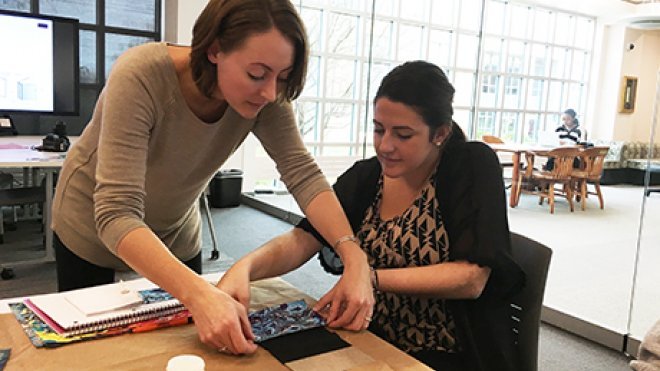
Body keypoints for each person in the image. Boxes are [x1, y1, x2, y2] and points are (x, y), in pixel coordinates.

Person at [51, 0, 373, 355]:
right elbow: (116, 212)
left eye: (282, 77)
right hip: (90, 227)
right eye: (257, 74)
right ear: (215, 49)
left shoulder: (268, 96)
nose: (270, 92)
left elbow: (303, 173)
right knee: (89, 355)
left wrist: (352, 254)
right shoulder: (140, 74)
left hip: (174, 228)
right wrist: (197, 292)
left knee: (192, 350)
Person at [218, 61, 525, 370]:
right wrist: (246, 267)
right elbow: (304, 237)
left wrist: (368, 276)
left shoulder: (470, 166)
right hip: (372, 339)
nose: (385, 145)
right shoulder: (366, 178)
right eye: (379, 129)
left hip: (447, 353)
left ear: (440, 134)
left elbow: (471, 278)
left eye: (403, 135)